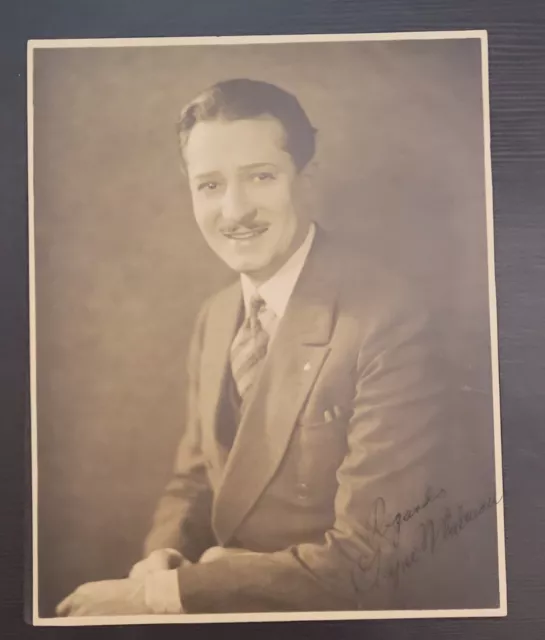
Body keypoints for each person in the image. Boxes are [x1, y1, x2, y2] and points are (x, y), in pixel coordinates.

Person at [56, 78, 497, 616]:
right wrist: (160, 557)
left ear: (307, 179)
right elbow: (197, 478)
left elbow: (368, 560)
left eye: (260, 177)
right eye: (210, 185)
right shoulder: (216, 315)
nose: (234, 211)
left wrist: (161, 596)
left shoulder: (389, 318)